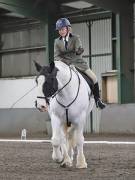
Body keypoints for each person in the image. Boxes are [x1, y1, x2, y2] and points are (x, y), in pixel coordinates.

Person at [54, 18, 106, 109]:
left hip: (78, 63)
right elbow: (56, 56)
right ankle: (49, 100)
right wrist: (65, 62)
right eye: (59, 30)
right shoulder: (57, 41)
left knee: (94, 78)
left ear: (67, 28)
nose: (61, 31)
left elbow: (79, 48)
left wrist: (79, 51)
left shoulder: (75, 38)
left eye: (62, 29)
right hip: (64, 64)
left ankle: (98, 100)